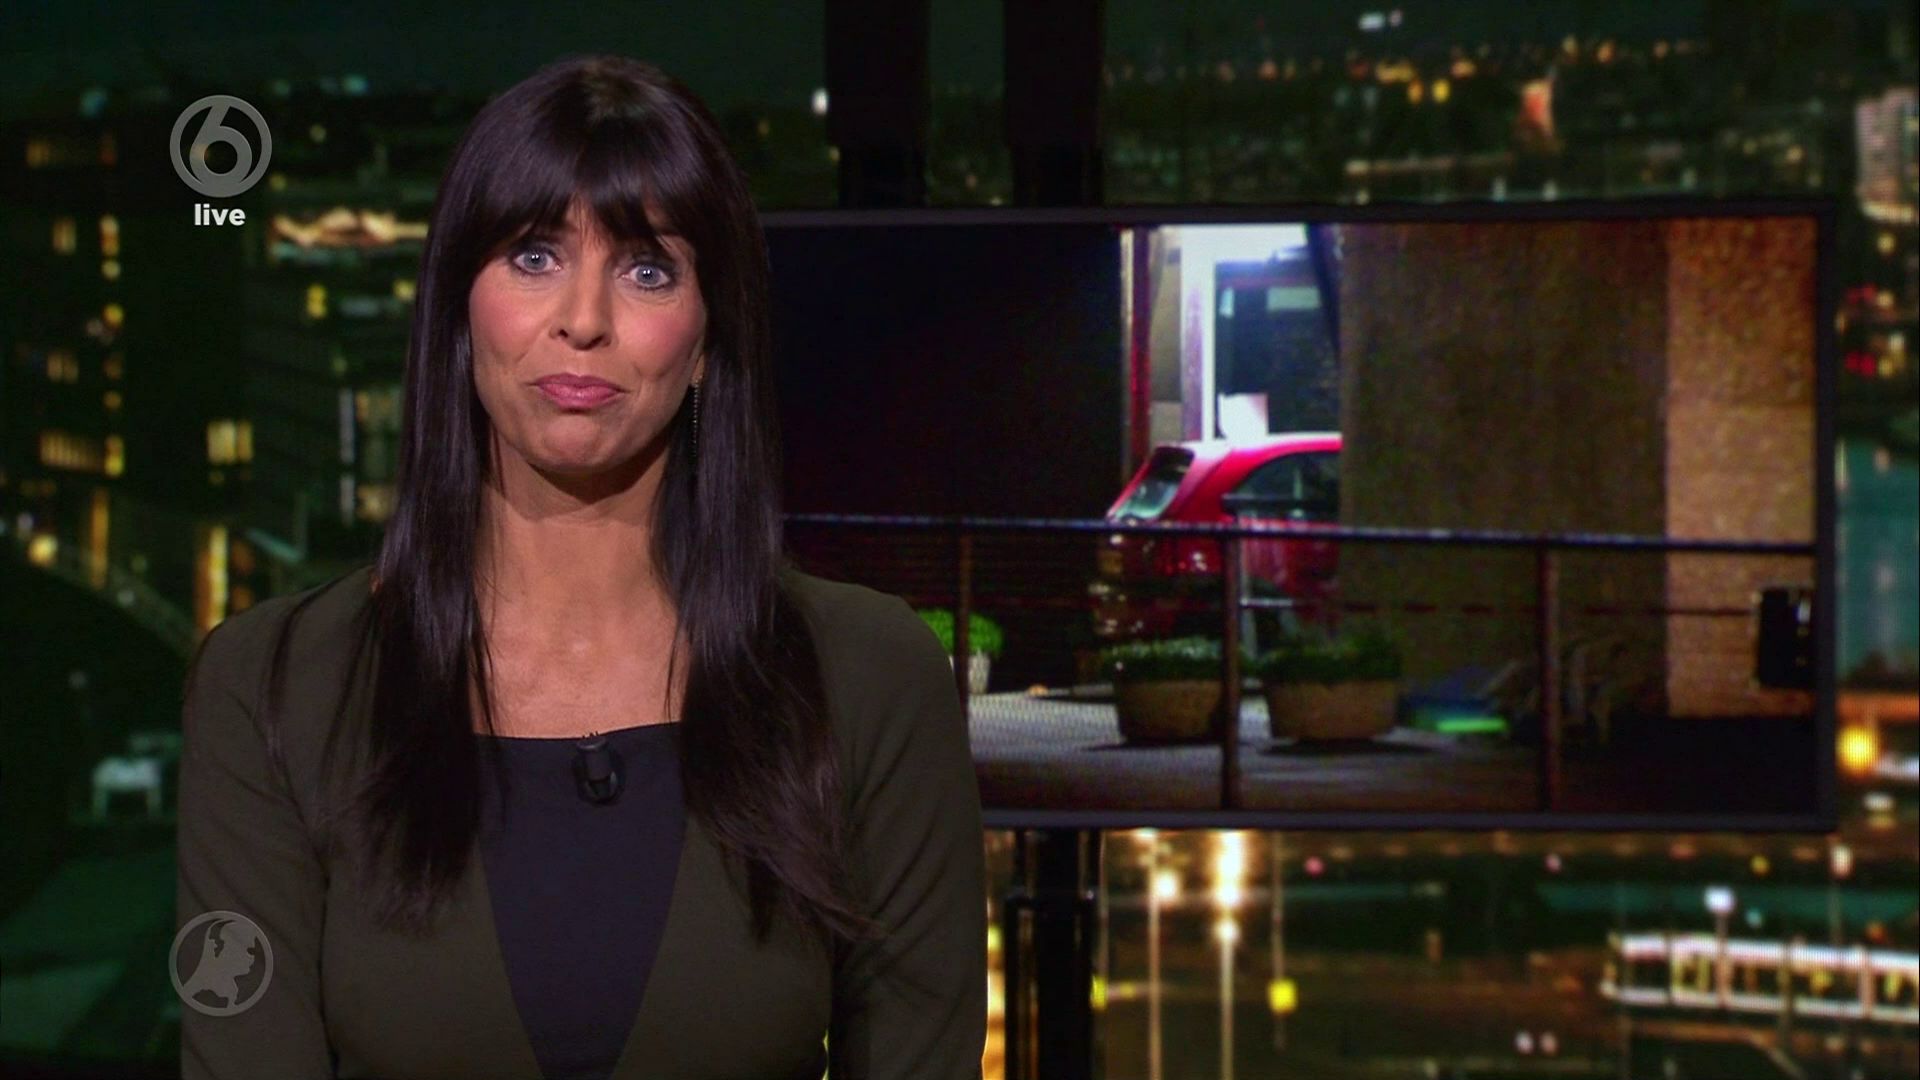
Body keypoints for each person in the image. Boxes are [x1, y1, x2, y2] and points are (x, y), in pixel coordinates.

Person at [175, 54, 986, 1080]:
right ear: (457, 307)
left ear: (708, 337)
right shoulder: (273, 687)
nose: (585, 319)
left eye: (648, 270)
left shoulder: (869, 677)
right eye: (534, 256)